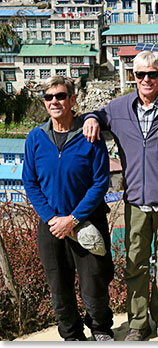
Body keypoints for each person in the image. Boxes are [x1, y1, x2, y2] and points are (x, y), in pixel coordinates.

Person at [82, 50, 158, 341]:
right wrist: (93, 118)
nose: (146, 79)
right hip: (134, 200)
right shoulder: (119, 108)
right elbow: (97, 115)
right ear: (132, 76)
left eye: (152, 74)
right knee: (135, 263)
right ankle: (137, 321)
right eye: (140, 74)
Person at [22, 76, 114, 341]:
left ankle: (100, 328)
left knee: (94, 282)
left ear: (73, 100)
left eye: (61, 96)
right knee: (59, 285)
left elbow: (100, 183)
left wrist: (73, 219)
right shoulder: (36, 138)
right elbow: (30, 181)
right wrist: (53, 218)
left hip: (87, 221)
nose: (55, 102)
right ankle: (72, 335)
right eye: (49, 97)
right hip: (51, 225)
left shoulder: (89, 136)